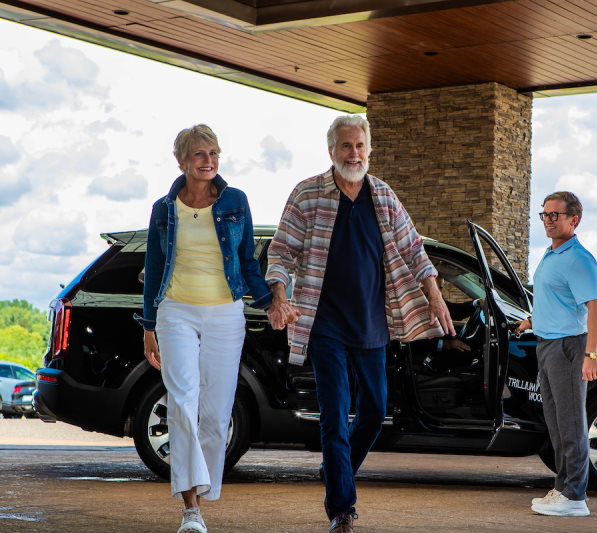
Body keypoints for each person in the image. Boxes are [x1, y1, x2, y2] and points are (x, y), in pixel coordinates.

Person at [266, 115, 455, 533]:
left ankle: (337, 471)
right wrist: (279, 295)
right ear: (331, 150)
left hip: (372, 323)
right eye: (346, 146)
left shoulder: (383, 196)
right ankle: (342, 509)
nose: (354, 153)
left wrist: (435, 294)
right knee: (334, 414)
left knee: (374, 411)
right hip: (324, 324)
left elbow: (413, 248)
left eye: (360, 146)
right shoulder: (307, 194)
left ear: (370, 149)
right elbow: (281, 253)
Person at [136, 124, 282, 533]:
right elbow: (152, 272)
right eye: (200, 154)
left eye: (214, 153)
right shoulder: (164, 209)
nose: (209, 161)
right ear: (182, 161)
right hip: (176, 311)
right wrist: (149, 327)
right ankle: (191, 510)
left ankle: (204, 489)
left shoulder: (236, 201)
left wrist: (271, 302)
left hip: (225, 313)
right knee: (182, 402)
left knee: (217, 415)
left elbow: (248, 262)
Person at [516, 191, 597, 517]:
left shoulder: (578, 259)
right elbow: (556, 300)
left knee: (570, 424)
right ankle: (562, 487)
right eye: (545, 214)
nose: (548, 220)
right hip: (548, 344)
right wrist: (531, 321)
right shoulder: (552, 254)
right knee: (555, 422)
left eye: (555, 215)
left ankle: (574, 497)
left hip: (569, 347)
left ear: (574, 219)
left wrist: (590, 354)